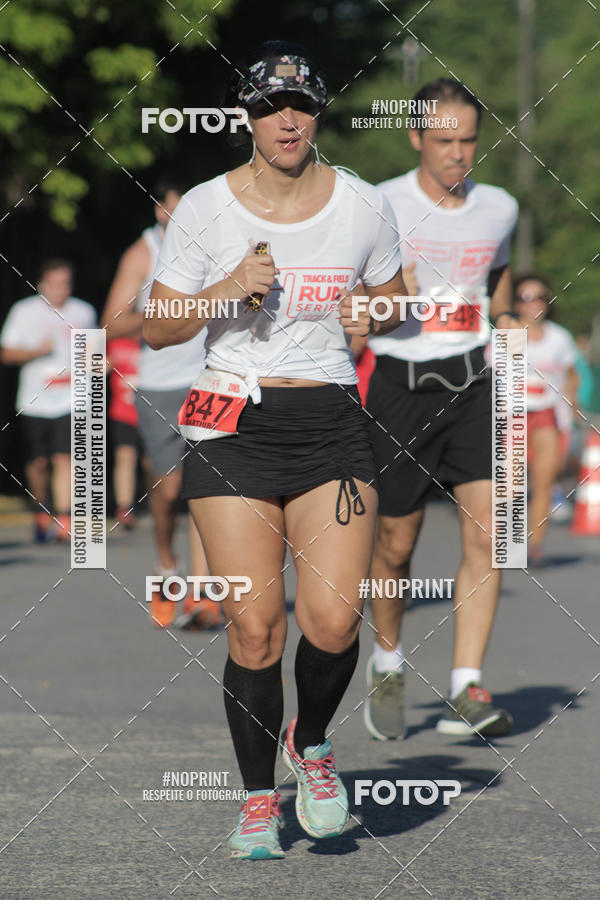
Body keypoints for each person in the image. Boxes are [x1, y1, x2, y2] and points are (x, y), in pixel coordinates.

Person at [143, 40, 407, 860]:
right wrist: (225, 291)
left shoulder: (363, 206)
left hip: (330, 418)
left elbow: (394, 301)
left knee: (333, 620)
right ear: (246, 119)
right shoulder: (206, 209)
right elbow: (155, 327)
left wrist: (377, 317)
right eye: (266, 106)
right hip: (230, 419)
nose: (284, 119)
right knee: (253, 627)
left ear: (317, 112)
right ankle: (259, 799)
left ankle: (314, 744)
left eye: (297, 105)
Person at [363, 78, 519, 741]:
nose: (459, 155)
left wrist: (507, 322)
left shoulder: (500, 207)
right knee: (396, 545)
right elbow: (352, 300)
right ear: (416, 138)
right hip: (400, 384)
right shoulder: (381, 205)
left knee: (489, 535)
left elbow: (498, 274)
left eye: (470, 142)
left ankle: (466, 688)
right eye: (445, 142)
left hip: (476, 383)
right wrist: (382, 304)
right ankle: (388, 663)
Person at [101, 179, 215, 629]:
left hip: (210, 379)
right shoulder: (143, 253)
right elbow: (111, 323)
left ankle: (203, 594)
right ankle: (168, 569)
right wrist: (166, 314)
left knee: (206, 487)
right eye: (178, 205)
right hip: (162, 384)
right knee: (167, 493)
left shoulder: (212, 244)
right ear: (160, 210)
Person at [0, 259, 96, 543]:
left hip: (72, 398)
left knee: (65, 458)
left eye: (65, 283)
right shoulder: (24, 311)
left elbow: (93, 352)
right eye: (54, 284)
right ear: (42, 284)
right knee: (39, 463)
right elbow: (6, 354)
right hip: (35, 400)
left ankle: (64, 519)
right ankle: (42, 506)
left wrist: (98, 361)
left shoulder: (84, 311)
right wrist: (37, 352)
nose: (60, 290)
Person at [513, 274, 578, 564]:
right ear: (515, 303)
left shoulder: (560, 337)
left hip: (547, 415)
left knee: (544, 481)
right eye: (525, 298)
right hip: (511, 414)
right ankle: (508, 542)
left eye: (539, 297)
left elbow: (572, 374)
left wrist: (571, 404)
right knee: (510, 484)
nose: (533, 304)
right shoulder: (505, 335)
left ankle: (534, 546)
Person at [107, 336, 142, 529]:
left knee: (150, 462)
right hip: (122, 411)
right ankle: (125, 508)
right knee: (125, 456)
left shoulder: (155, 339)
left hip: (151, 411)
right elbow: (95, 366)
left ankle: (158, 504)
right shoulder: (116, 342)